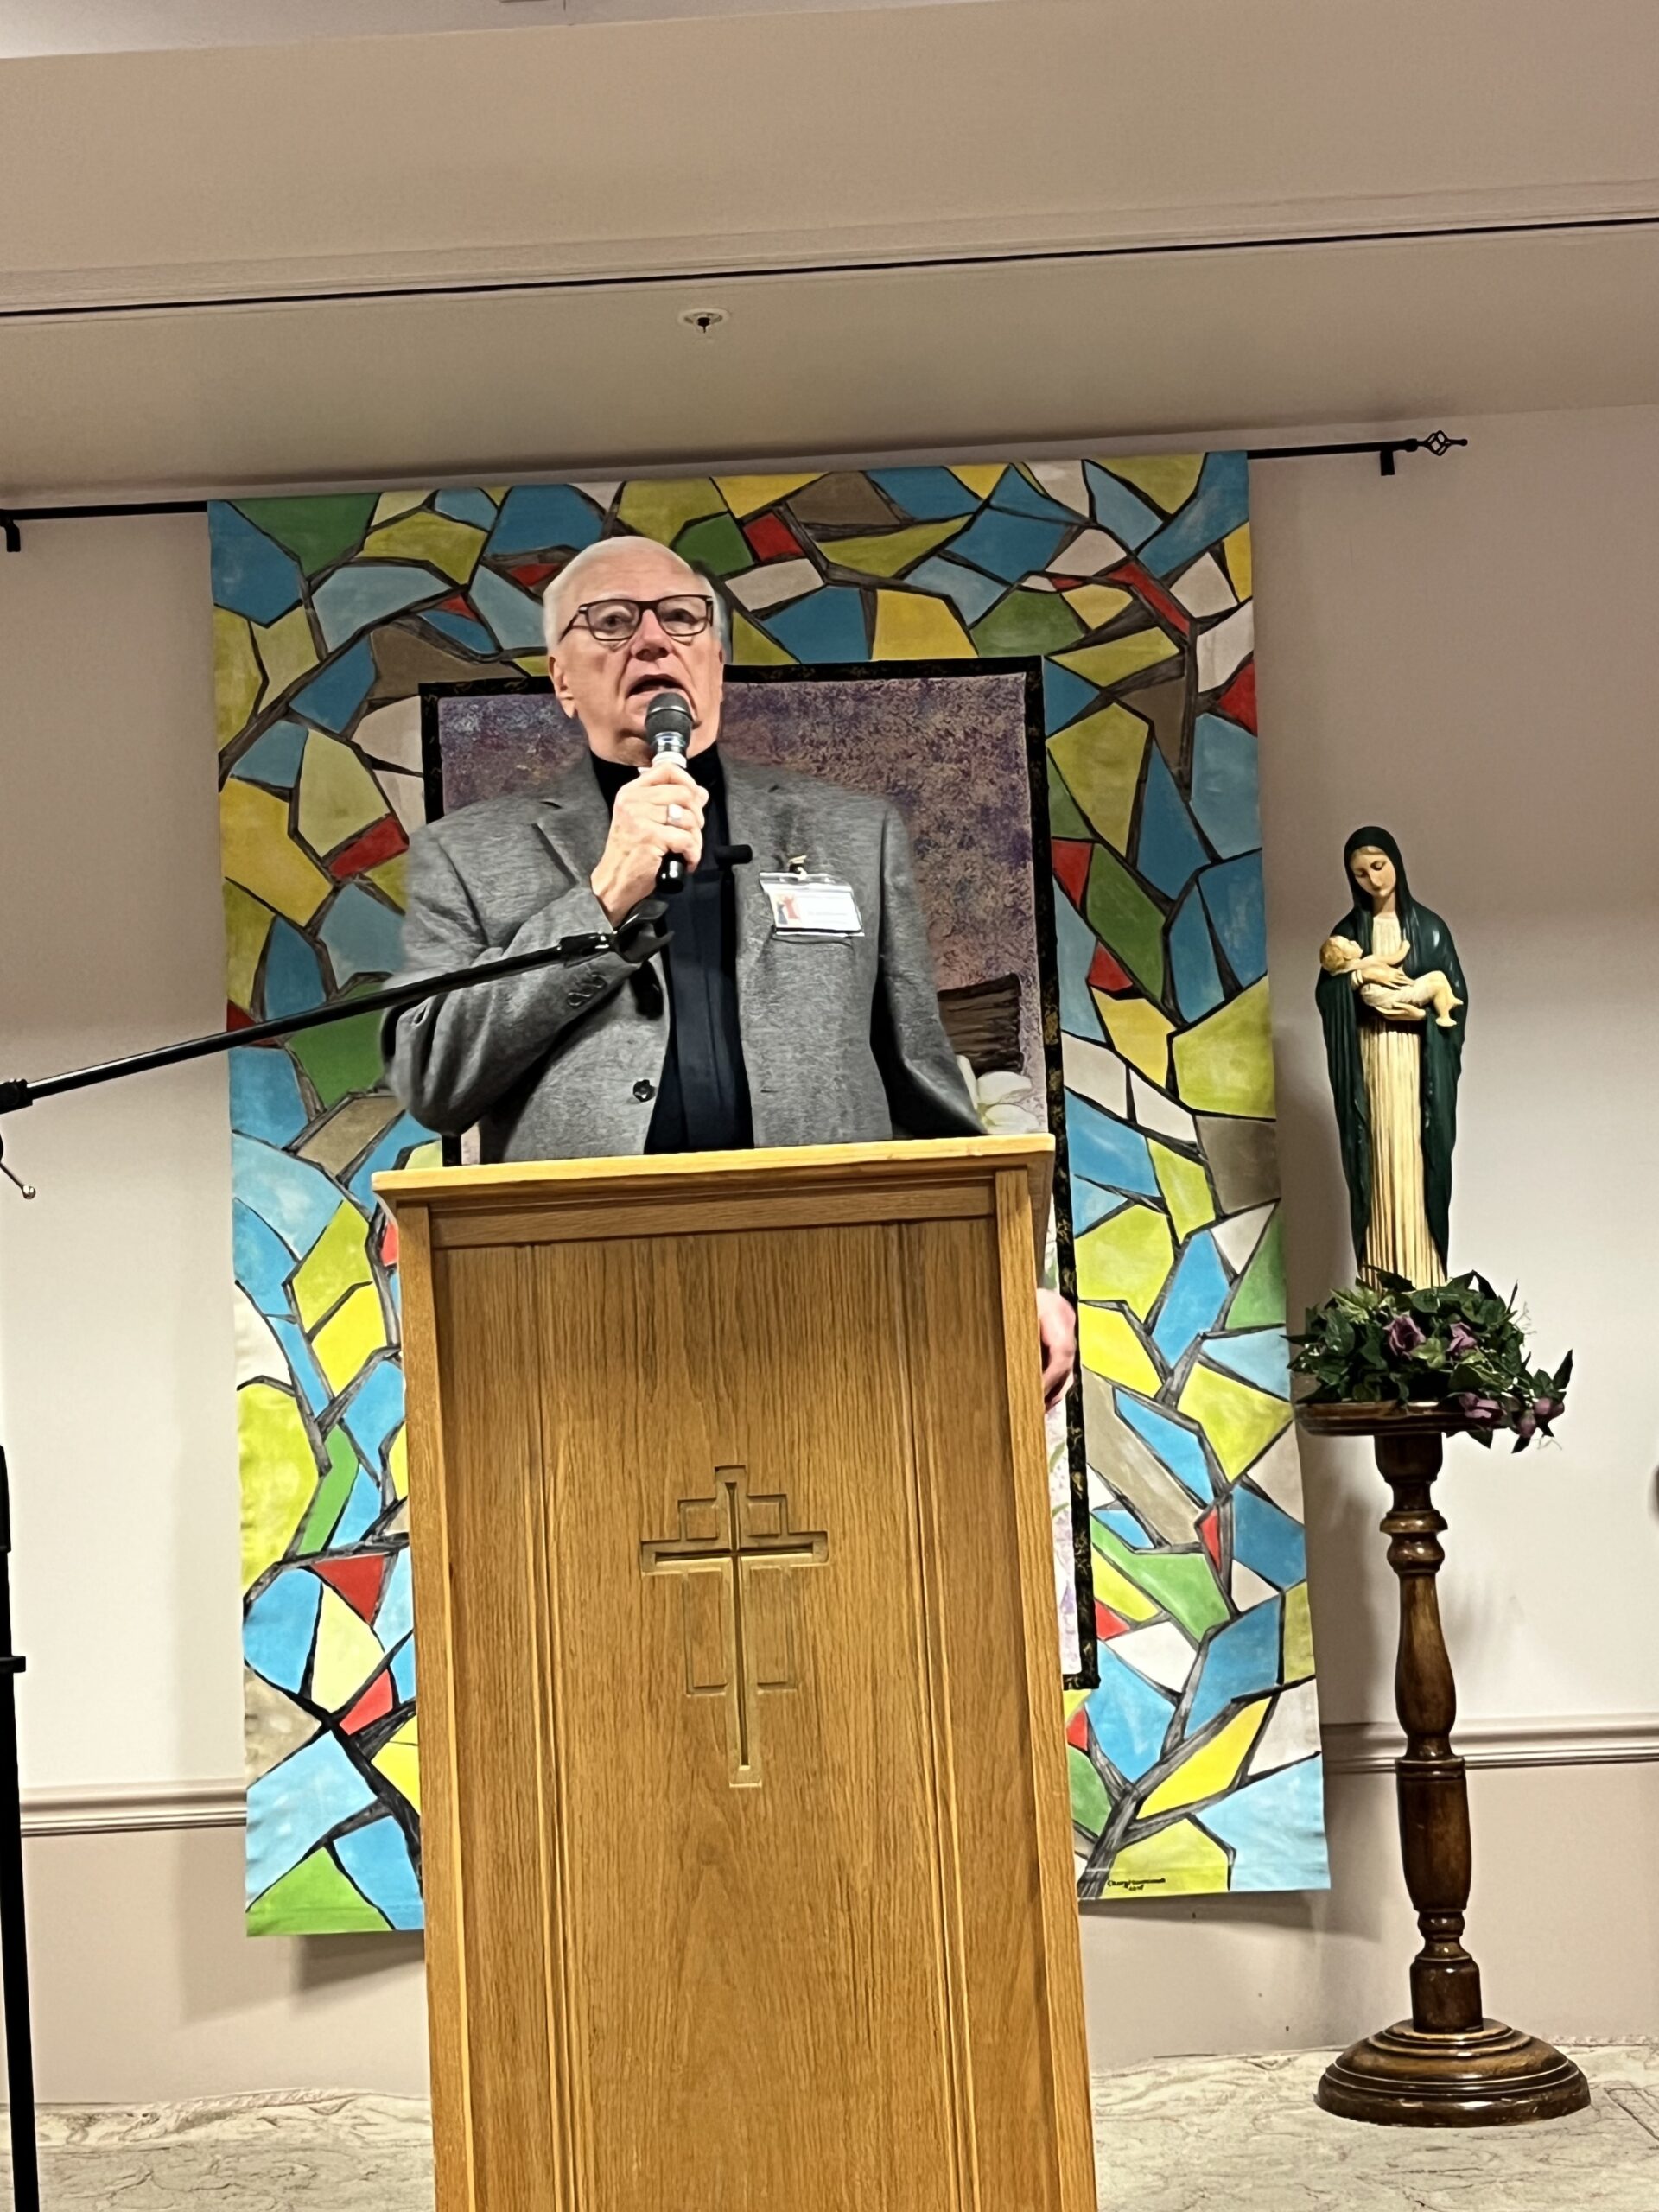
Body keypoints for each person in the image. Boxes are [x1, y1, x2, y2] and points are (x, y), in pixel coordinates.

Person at [384, 535, 1076, 1405]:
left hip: (836, 1304)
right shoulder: (469, 854)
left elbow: (924, 1093)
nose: (652, 640)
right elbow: (432, 1075)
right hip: (576, 1325)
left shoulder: (851, 835)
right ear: (561, 677)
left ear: (715, 662)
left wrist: (1008, 1274)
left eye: (682, 619)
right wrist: (603, 896)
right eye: (611, 621)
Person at [1315, 827, 1467, 1287]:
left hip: (1416, 1065)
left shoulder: (1430, 930)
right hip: (1372, 1065)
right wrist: (1356, 983)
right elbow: (1328, 994)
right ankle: (1380, 1284)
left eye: (1379, 866)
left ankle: (1424, 1280)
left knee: (1417, 1160)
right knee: (1378, 1162)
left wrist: (1421, 1016)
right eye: (1360, 874)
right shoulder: (1347, 934)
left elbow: (1455, 996)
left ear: (1396, 862)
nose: (1373, 880)